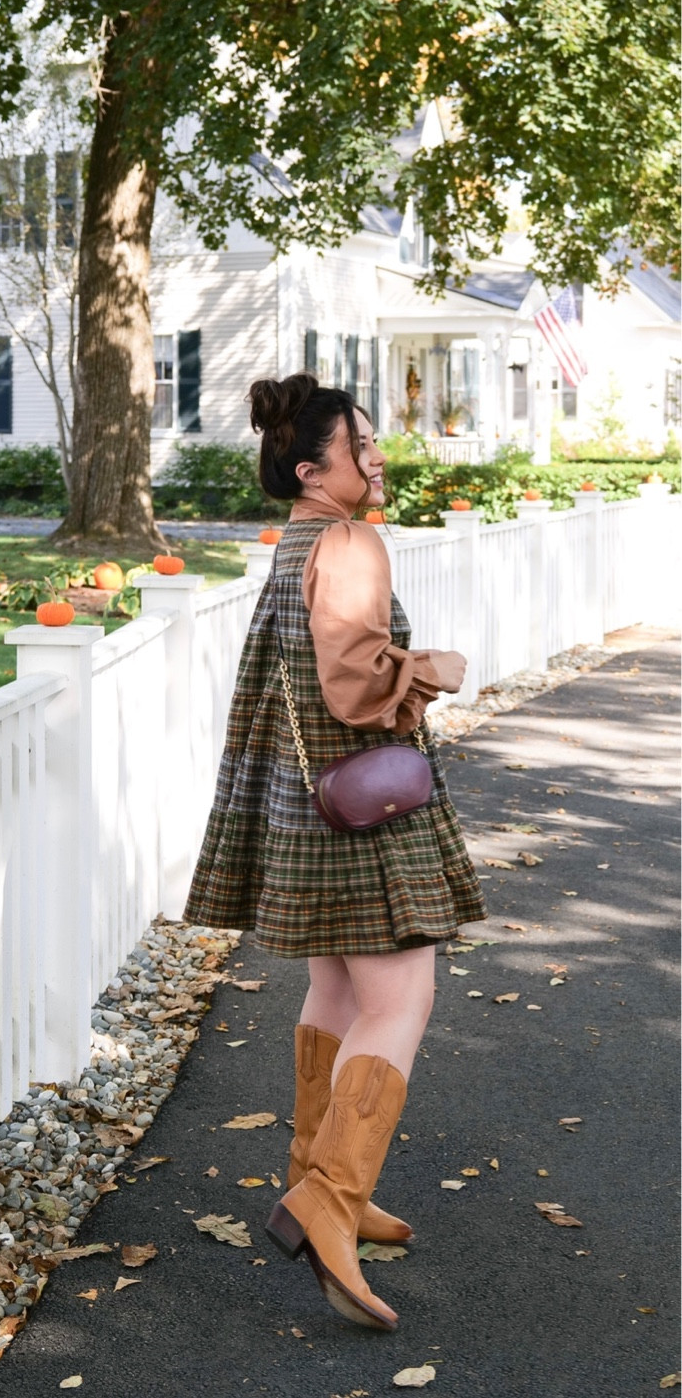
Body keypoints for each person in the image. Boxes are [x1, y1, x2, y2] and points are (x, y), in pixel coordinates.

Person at [183, 373, 487, 1331]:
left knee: (339, 992)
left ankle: (318, 1180)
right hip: (363, 812)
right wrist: (427, 669)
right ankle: (328, 1198)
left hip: (306, 804)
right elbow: (355, 688)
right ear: (315, 469)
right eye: (361, 442)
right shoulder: (350, 542)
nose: (378, 453)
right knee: (401, 999)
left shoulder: (297, 542)